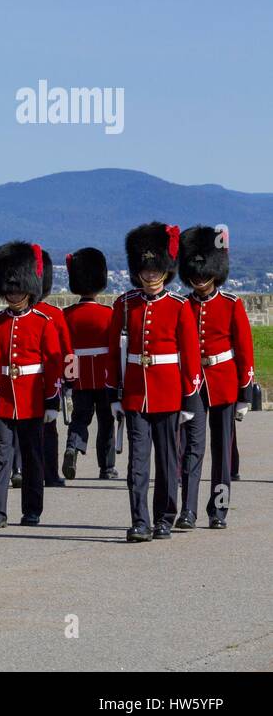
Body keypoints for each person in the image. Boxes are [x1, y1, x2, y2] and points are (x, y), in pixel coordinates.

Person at [109, 223, 202, 543]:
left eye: (155, 269)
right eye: (145, 269)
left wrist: (189, 399)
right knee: (137, 463)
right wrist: (114, 393)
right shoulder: (124, 305)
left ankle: (164, 516)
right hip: (135, 394)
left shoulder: (179, 307)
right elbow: (113, 353)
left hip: (168, 394)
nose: (150, 275)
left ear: (166, 270)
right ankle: (139, 520)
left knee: (166, 461)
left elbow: (189, 356)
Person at [177, 226, 254, 530]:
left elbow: (245, 350)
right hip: (193, 386)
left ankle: (218, 510)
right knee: (191, 449)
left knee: (222, 453)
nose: (199, 279)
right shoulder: (184, 304)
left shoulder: (231, 304)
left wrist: (245, 395)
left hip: (223, 382)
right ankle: (188, 510)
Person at [0, 243, 62, 528]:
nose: (13, 294)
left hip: (32, 399)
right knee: (1, 457)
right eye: (10, 290)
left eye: (18, 290)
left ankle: (32, 510)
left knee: (32, 458)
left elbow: (52, 366)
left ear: (29, 290)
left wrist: (52, 401)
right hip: (2, 399)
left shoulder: (43, 322)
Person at [61, 248, 117, 480]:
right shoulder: (108, 313)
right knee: (106, 422)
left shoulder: (67, 314)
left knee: (80, 418)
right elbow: (115, 347)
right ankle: (106, 467)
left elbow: (64, 348)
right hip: (104, 375)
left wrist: (67, 378)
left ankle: (73, 447)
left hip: (79, 375)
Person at [34, 250, 74, 487]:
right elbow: (69, 352)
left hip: (30, 382)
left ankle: (20, 469)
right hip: (50, 381)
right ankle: (50, 473)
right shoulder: (54, 314)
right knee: (49, 431)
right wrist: (71, 382)